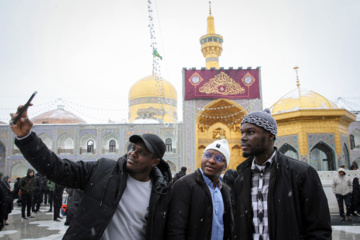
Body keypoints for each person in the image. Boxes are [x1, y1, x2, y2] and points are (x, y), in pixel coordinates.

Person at [10, 105, 172, 240]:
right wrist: (27, 138)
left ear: (155, 162)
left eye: (142, 152)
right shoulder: (103, 171)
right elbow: (56, 168)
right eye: (133, 148)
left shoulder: (161, 193)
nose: (132, 153)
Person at [233, 108, 332, 239]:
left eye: (250, 132)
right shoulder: (241, 176)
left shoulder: (301, 173)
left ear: (270, 135)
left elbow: (319, 228)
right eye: (242, 133)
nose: (243, 138)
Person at [167, 139, 233, 240]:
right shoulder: (185, 185)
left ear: (225, 167)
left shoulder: (225, 191)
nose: (211, 160)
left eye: (219, 158)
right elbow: (175, 229)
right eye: (207, 155)